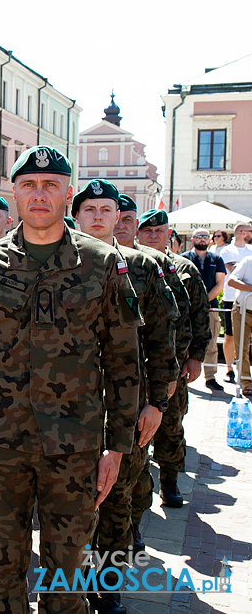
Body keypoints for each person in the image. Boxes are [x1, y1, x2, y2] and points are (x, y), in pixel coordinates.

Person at [0, 146, 141, 614]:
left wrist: (117, 446)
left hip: (75, 446)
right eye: (29, 184)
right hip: (0, 443)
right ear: (14, 192)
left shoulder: (101, 263)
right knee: (2, 574)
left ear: (67, 193)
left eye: (50, 184)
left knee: (67, 577)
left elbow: (123, 360)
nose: (39, 194)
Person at [72, 180, 177, 614]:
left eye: (106, 209)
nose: (97, 217)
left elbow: (161, 341)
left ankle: (108, 585)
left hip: (125, 408)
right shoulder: (56, 266)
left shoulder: (142, 267)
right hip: (68, 411)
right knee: (70, 503)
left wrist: (157, 403)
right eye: (89, 209)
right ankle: (72, 583)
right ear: (75, 216)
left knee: (117, 500)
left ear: (120, 217)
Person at [113, 195, 192, 552]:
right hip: (83, 398)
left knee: (134, 469)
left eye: (127, 218)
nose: (119, 224)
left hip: (138, 388)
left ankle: (131, 528)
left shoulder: (152, 266)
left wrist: (167, 383)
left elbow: (173, 326)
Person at [136, 210, 211, 509]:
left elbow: (199, 316)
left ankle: (169, 481)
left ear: (169, 233)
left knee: (170, 426)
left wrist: (196, 358)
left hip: (174, 368)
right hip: (136, 367)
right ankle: (142, 489)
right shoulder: (126, 264)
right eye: (147, 230)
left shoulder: (185, 269)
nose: (152, 235)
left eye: (159, 230)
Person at [182, 228, 227, 391]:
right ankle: (183, 374)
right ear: (193, 239)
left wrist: (202, 302)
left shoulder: (217, 259)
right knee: (184, 341)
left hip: (210, 308)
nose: (202, 239)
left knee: (212, 343)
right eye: (199, 236)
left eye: (205, 237)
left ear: (210, 240)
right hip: (187, 309)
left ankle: (211, 377)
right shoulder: (184, 258)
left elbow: (220, 284)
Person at [218, 222, 252, 384]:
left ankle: (243, 372)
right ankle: (230, 369)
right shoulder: (227, 250)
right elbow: (232, 271)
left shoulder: (250, 251)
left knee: (245, 341)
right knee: (231, 337)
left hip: (247, 300)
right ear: (243, 232)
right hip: (232, 299)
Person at [227, 254, 252, 396]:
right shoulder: (248, 260)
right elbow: (232, 281)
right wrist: (250, 288)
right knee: (241, 348)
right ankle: (246, 382)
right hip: (242, 310)